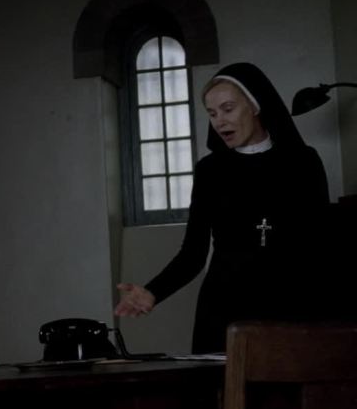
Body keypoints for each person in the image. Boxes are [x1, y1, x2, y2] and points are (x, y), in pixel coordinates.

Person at [114, 62, 330, 353]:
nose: (219, 122)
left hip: (290, 308)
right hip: (223, 309)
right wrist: (153, 292)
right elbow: (193, 254)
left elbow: (322, 246)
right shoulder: (210, 171)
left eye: (228, 109)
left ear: (255, 106)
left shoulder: (303, 162)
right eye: (212, 113)